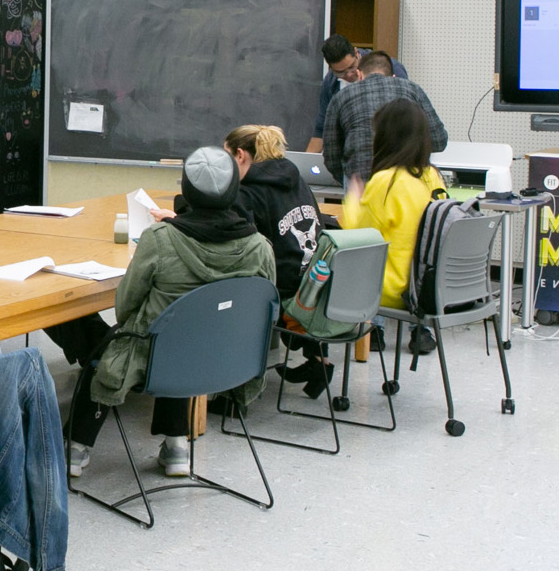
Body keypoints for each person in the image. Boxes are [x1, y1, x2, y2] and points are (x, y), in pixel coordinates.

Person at [67, 147, 276, 479]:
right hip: (226, 359)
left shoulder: (160, 240)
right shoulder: (260, 247)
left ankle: (76, 448)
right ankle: (177, 445)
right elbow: (265, 309)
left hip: (161, 359)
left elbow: (125, 309)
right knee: (186, 334)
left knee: (132, 340)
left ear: (187, 191)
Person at [223, 125, 332, 396]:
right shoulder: (295, 178)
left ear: (239, 155)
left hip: (280, 288)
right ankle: (319, 362)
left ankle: (236, 393)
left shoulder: (246, 192)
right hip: (314, 281)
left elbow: (238, 243)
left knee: (226, 286)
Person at [341, 98, 448, 354]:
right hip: (427, 288)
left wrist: (353, 200)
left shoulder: (386, 182)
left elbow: (357, 240)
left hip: (391, 290)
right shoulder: (433, 177)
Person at [322, 50, 448, 186]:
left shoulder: (340, 97)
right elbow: (438, 141)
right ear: (393, 77)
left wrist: (348, 179)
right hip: (407, 180)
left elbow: (331, 155)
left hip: (359, 181)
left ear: (359, 75)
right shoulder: (413, 90)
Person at [313, 34, 408, 143]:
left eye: (352, 67)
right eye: (340, 72)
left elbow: (404, 115)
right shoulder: (330, 81)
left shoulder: (389, 68)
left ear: (356, 53)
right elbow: (321, 130)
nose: (349, 75)